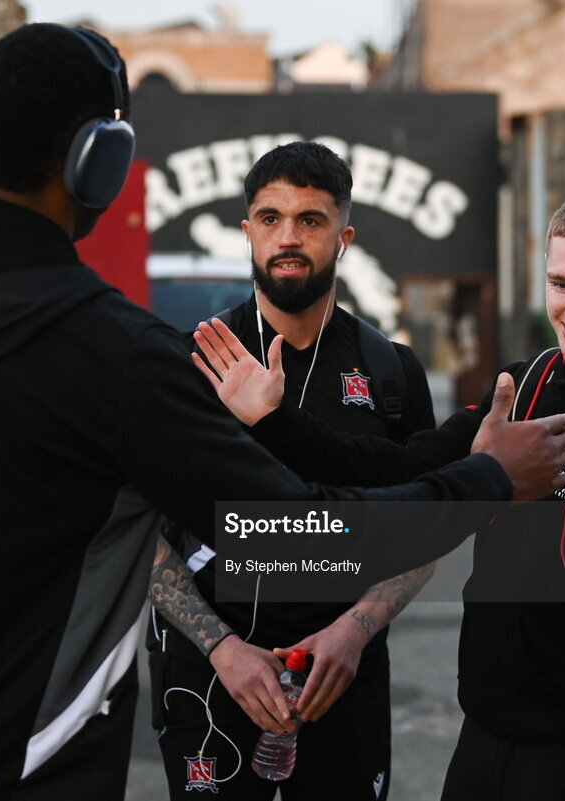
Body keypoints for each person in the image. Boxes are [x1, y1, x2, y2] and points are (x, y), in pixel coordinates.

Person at [0, 22, 565, 801]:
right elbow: (296, 529)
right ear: (100, 162)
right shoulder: (118, 354)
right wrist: (486, 477)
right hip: (7, 762)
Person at [194, 187, 565, 801]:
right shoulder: (527, 382)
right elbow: (403, 468)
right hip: (486, 738)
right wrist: (276, 421)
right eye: (560, 284)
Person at [148, 141, 436, 800]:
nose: (288, 236)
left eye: (311, 219)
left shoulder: (391, 372)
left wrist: (355, 628)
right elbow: (138, 534)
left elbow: (425, 527)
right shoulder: (183, 367)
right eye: (270, 217)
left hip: (341, 673)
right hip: (209, 671)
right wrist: (222, 647)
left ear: (344, 236)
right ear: (246, 231)